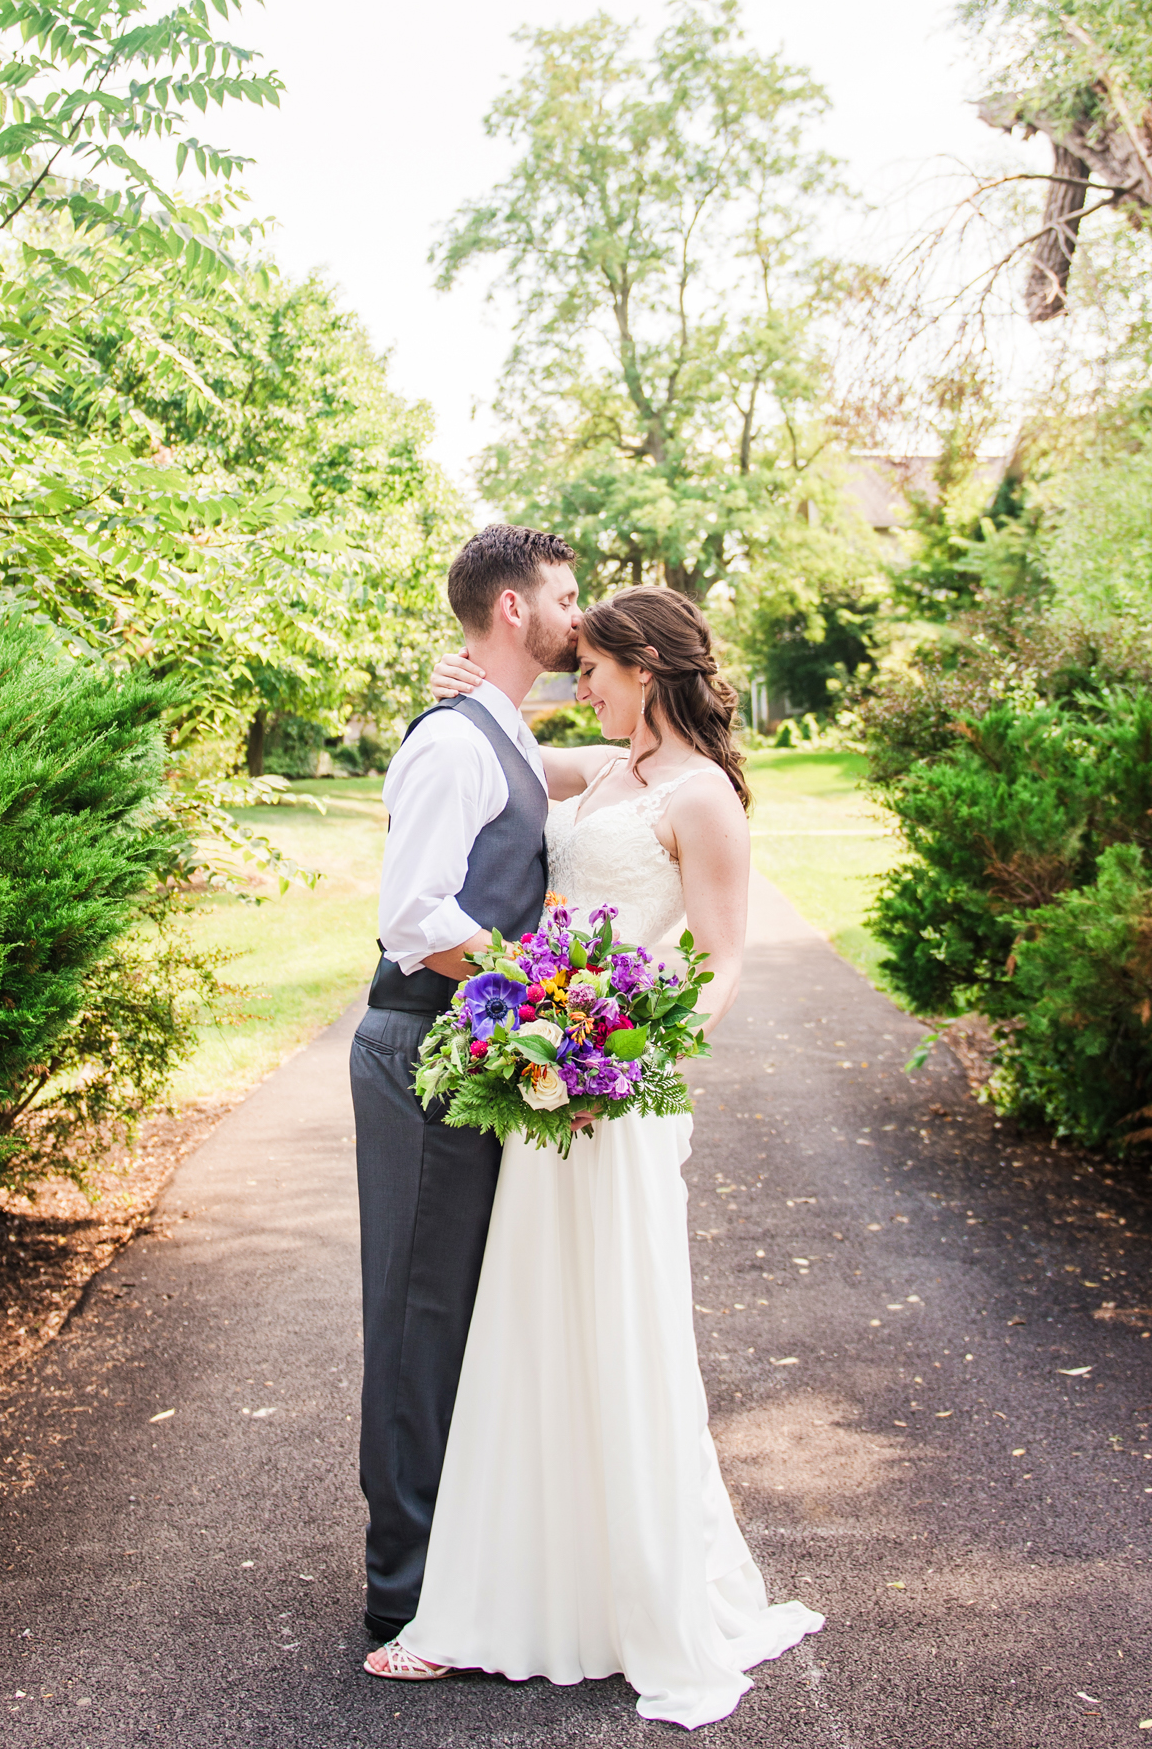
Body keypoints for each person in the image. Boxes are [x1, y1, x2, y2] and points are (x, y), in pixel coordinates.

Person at [365, 586, 824, 1727]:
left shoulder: (702, 795)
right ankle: (506, 1594)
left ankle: (637, 1597)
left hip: (615, 1099)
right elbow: (520, 757)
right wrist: (469, 694)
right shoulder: (605, 772)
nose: (585, 687)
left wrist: (620, 1050)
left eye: (599, 674)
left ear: (650, 667)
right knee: (528, 1329)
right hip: (544, 1090)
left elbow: (719, 961)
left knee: (618, 1333)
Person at [350, 523, 583, 1642]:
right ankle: (401, 1602)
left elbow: (598, 772)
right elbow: (414, 918)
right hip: (420, 1053)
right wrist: (540, 989)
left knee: (462, 1316)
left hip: (470, 1051)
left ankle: (454, 1575)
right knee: (416, 1316)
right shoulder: (455, 742)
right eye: (566, 594)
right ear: (510, 610)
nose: (578, 615)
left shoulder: (505, 730)